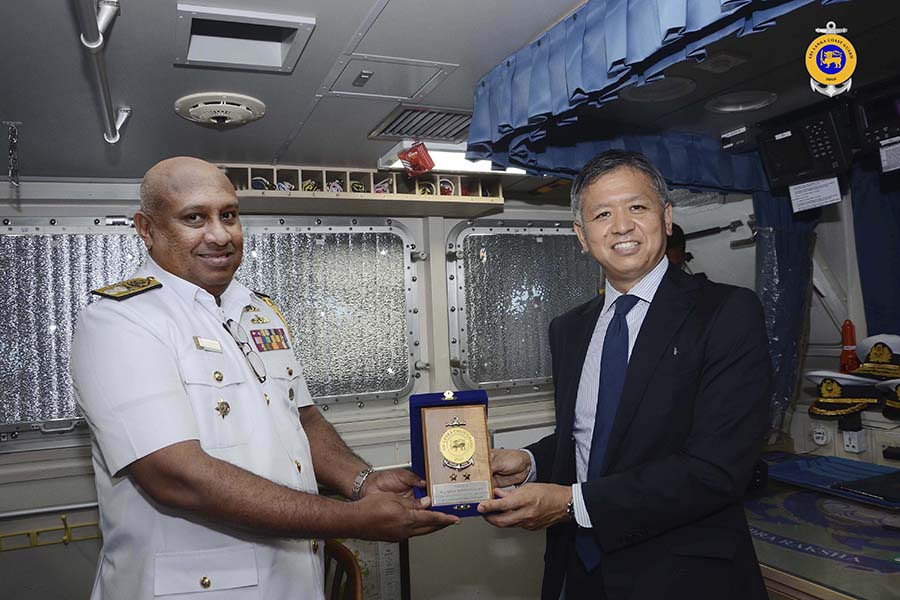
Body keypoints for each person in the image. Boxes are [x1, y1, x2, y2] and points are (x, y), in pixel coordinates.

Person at [70, 156, 458, 600]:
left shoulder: (258, 311)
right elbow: (174, 475)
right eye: (194, 218)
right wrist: (352, 519)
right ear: (147, 228)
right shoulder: (121, 321)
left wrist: (362, 482)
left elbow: (304, 420)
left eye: (229, 215)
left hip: (294, 578)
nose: (219, 235)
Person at [479, 150, 770, 600]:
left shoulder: (727, 313)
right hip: (578, 570)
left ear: (666, 217)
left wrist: (570, 503)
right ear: (582, 235)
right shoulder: (569, 329)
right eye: (601, 214)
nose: (620, 226)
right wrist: (531, 461)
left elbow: (715, 469)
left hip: (682, 577)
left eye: (637, 207)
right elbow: (596, 436)